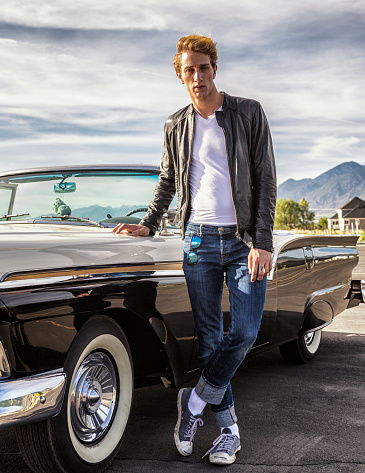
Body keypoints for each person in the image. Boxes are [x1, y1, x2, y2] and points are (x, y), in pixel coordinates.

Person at [113, 34, 276, 465]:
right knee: (208, 342)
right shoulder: (175, 124)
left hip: (242, 242)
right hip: (198, 241)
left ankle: (195, 402)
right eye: (190, 69)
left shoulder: (248, 113)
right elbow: (167, 180)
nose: (198, 76)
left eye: (204, 67)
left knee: (243, 333)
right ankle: (229, 434)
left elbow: (266, 181)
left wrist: (262, 242)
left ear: (215, 69)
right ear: (180, 75)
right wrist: (148, 224)